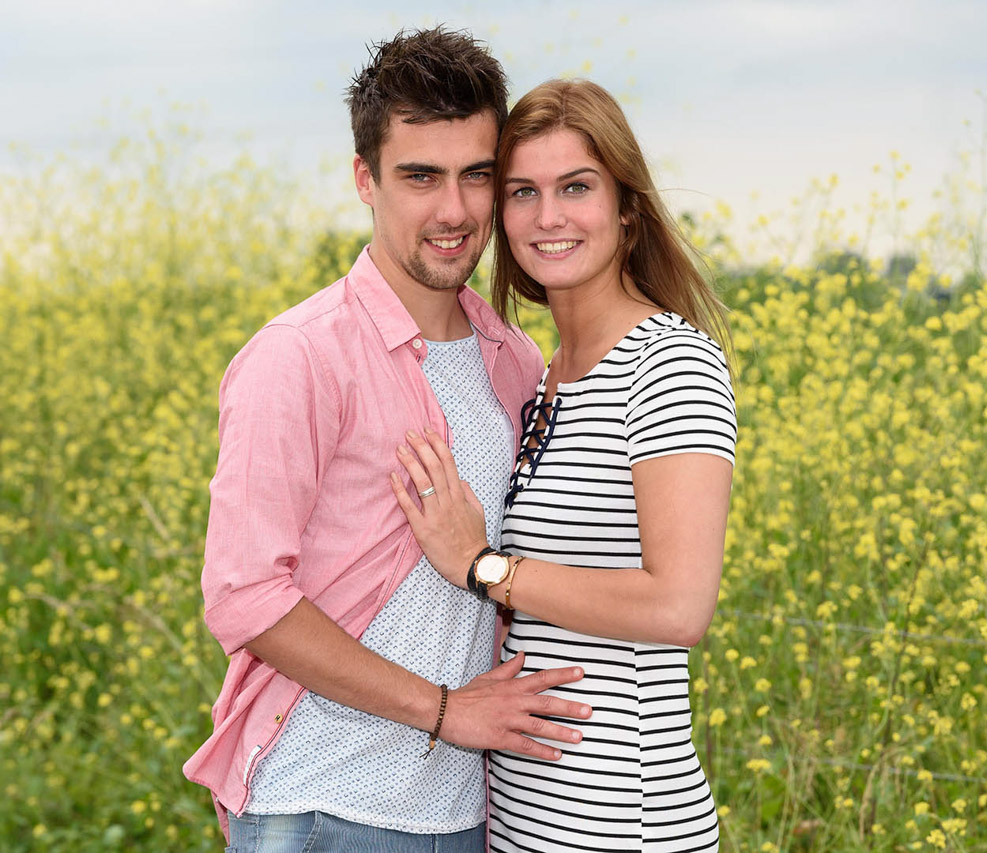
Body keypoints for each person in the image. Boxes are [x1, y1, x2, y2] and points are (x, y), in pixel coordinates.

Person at [183, 29, 592, 852]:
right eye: (420, 176)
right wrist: (445, 709)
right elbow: (244, 595)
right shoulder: (299, 356)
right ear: (365, 178)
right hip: (319, 810)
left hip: (465, 816)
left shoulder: (515, 361)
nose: (454, 211)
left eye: (477, 174)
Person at [391, 79, 736, 852]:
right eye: (523, 192)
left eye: (576, 187)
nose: (548, 217)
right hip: (527, 818)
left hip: (622, 820)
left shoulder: (668, 365)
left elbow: (680, 606)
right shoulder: (545, 374)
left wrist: (482, 565)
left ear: (626, 207)